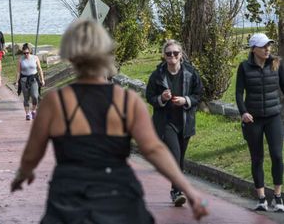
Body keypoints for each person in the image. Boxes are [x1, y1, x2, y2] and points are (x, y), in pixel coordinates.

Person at [11, 19, 208, 223]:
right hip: (119, 195)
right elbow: (153, 150)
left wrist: (22, 174)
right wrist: (189, 191)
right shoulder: (127, 101)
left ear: (71, 55)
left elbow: (32, 153)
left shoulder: (54, 102)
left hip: (69, 197)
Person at [145, 39, 202, 207]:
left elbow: (198, 95)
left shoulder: (191, 73)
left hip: (185, 122)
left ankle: (174, 190)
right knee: (175, 156)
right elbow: (149, 96)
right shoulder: (157, 75)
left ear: (180, 55)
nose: (172, 57)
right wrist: (161, 98)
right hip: (165, 122)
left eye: (175, 53)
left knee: (181, 159)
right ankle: (177, 191)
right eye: (168, 54)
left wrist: (185, 100)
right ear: (164, 56)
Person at [235, 33, 284, 212]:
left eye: (269, 45)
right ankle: (262, 198)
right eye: (263, 46)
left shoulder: (277, 64)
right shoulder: (244, 67)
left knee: (277, 156)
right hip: (253, 119)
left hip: (273, 117)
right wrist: (244, 112)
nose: (267, 49)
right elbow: (239, 93)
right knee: (257, 158)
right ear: (253, 49)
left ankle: (278, 197)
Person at [14, 43, 45, 121]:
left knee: (35, 96)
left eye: (27, 53)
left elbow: (39, 69)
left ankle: (33, 110)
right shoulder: (21, 59)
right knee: (26, 97)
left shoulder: (35, 58)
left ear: (30, 52)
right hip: (24, 79)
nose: (26, 54)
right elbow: (18, 71)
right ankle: (27, 114)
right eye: (24, 53)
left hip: (34, 79)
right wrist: (17, 81)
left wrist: (42, 79)